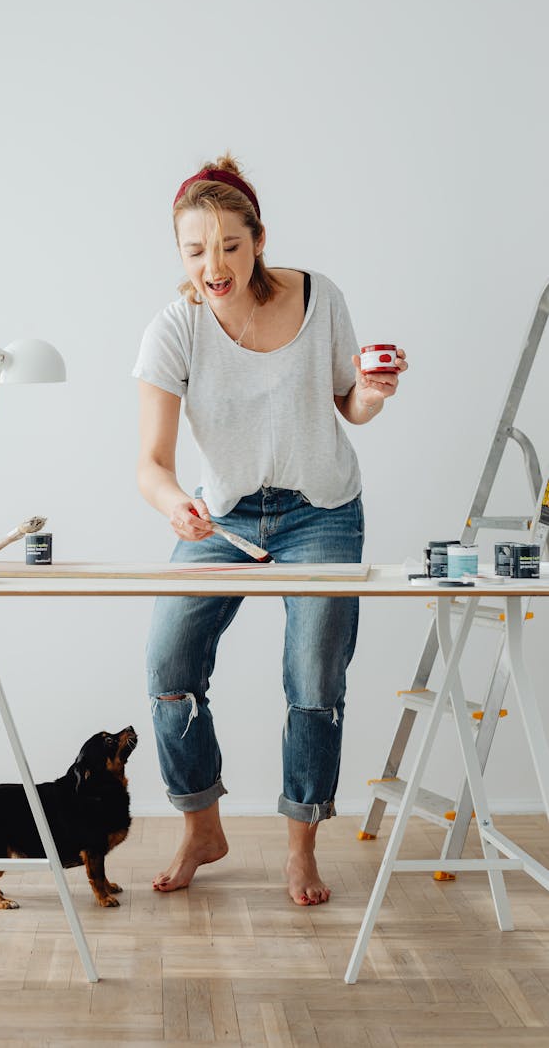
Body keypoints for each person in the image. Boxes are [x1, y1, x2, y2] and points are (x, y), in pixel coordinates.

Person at [132, 154, 407, 906]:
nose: (212, 264)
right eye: (195, 250)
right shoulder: (175, 328)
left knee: (314, 679)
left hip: (321, 510)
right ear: (180, 254)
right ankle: (202, 825)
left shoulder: (320, 298)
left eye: (228, 245)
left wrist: (374, 395)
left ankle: (300, 845)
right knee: (168, 664)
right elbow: (151, 463)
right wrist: (173, 508)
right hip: (221, 516)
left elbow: (349, 404)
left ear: (259, 239)